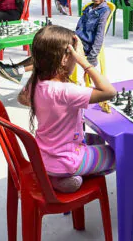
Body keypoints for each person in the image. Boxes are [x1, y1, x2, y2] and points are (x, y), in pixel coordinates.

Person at [16, 24, 116, 193]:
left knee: (97, 140)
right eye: (74, 55)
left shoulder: (36, 83)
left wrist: (49, 107)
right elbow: (109, 92)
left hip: (43, 157)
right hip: (67, 160)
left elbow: (22, 98)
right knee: (118, 153)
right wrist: (84, 61)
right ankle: (65, 175)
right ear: (65, 59)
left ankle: (59, 177)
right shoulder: (67, 92)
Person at [0, 0, 111, 83]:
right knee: (46, 47)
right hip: (75, 38)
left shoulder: (104, 11)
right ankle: (15, 68)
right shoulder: (89, 8)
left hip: (85, 46)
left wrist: (92, 58)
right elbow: (79, 28)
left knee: (51, 55)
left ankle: (19, 71)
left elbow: (100, 36)